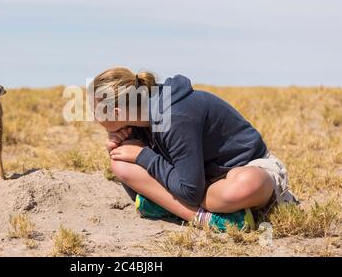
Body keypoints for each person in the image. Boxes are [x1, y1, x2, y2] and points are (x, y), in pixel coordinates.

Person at [89, 67, 298, 231]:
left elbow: (190, 191)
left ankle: (181, 211)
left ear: (116, 112)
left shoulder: (174, 116)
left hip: (240, 168)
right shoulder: (137, 119)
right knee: (120, 162)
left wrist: (144, 155)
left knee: (247, 184)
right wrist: (116, 142)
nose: (93, 118)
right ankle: (209, 219)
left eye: (95, 112)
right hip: (199, 180)